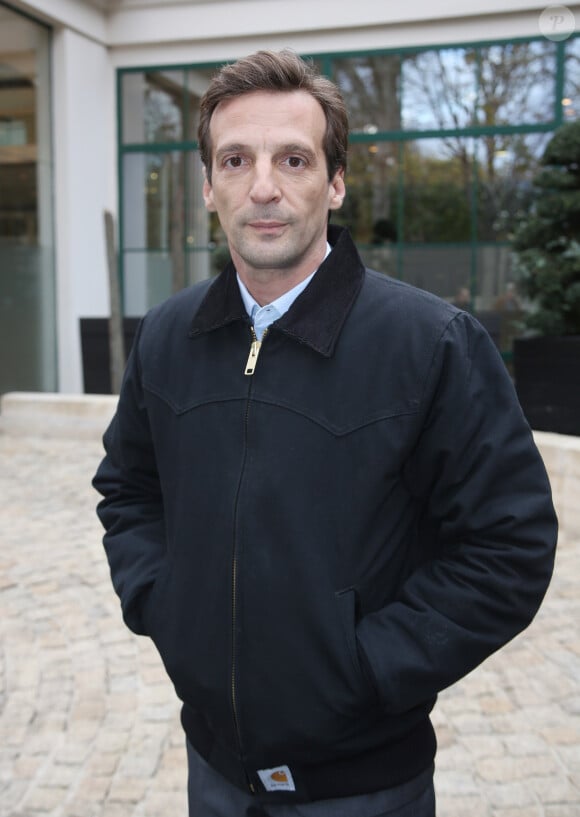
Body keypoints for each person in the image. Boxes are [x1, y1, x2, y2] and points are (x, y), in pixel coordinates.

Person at [93, 50, 558, 817]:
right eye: (236, 160)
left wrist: (364, 669)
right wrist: (166, 605)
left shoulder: (433, 343)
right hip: (213, 773)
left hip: (365, 787)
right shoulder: (168, 336)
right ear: (209, 185)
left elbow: (507, 547)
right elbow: (128, 490)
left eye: (295, 159)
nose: (265, 186)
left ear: (335, 182)